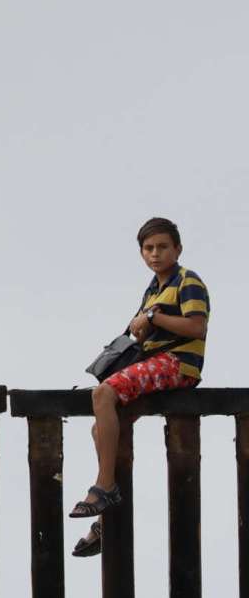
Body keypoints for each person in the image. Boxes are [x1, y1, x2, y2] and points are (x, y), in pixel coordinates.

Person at [71, 217, 208, 557]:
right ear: (141, 253)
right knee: (99, 429)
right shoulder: (154, 288)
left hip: (179, 363)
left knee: (102, 394)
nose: (156, 253)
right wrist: (146, 323)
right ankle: (105, 519)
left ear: (178, 248)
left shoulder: (187, 281)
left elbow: (196, 327)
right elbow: (145, 334)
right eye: (149, 248)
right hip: (155, 363)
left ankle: (104, 487)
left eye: (163, 247)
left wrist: (153, 318)